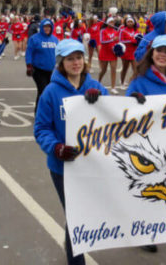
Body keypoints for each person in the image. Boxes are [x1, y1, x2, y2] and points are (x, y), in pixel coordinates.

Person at [34, 39, 108, 265]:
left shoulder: (95, 86)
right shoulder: (51, 92)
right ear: (61, 63)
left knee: (87, 213)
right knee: (75, 216)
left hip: (93, 164)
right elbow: (41, 129)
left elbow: (119, 114)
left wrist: (106, 99)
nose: (75, 63)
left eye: (79, 57)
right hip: (62, 167)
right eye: (69, 59)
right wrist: (56, 147)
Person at [125, 36, 166, 265]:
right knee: (155, 199)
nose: (162, 54)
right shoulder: (140, 81)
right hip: (151, 153)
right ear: (151, 53)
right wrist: (132, 102)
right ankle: (151, 235)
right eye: (158, 50)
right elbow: (125, 113)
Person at [25, 18, 59, 111]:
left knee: (48, 92)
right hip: (38, 70)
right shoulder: (34, 38)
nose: (47, 29)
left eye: (49, 27)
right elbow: (29, 52)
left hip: (51, 70)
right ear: (41, 27)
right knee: (43, 91)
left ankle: (44, 111)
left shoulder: (55, 39)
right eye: (45, 27)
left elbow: (58, 53)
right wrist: (29, 65)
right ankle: (39, 113)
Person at [97, 17, 119, 88]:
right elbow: (102, 41)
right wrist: (112, 39)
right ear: (107, 23)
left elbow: (117, 42)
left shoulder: (116, 31)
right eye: (110, 22)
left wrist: (118, 48)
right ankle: (98, 81)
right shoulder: (103, 31)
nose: (112, 23)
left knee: (113, 69)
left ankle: (113, 87)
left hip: (113, 53)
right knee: (103, 70)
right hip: (104, 52)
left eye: (113, 22)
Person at [118, 16, 139, 86]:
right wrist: (131, 41)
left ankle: (131, 81)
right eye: (128, 22)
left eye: (131, 22)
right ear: (126, 23)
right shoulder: (123, 30)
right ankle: (122, 82)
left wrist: (137, 41)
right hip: (126, 52)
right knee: (125, 68)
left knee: (136, 69)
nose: (130, 23)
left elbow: (139, 38)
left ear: (134, 23)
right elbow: (121, 40)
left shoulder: (136, 30)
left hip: (134, 52)